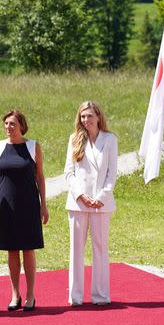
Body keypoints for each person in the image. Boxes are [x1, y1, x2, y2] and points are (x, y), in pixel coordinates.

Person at [0, 109, 49, 312]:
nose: (8, 127)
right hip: (6, 205)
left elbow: (40, 177)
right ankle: (15, 295)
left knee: (28, 249)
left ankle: (30, 295)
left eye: (12, 123)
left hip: (29, 204)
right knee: (11, 250)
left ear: (21, 125)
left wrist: (43, 205)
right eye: (6, 124)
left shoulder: (33, 146)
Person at [64, 101, 117, 306]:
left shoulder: (110, 140)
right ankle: (75, 296)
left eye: (89, 116)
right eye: (83, 116)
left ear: (98, 116)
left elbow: (112, 173)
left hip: (101, 204)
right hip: (78, 203)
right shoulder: (75, 139)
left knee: (100, 248)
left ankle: (101, 295)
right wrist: (80, 195)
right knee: (76, 249)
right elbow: (69, 172)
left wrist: (101, 198)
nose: (86, 120)